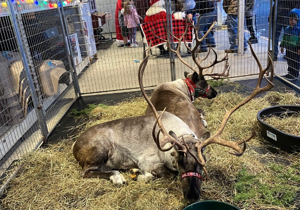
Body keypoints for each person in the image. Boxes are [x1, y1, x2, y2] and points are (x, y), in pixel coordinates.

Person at [279, 8, 300, 80]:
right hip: (289, 47)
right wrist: (282, 46)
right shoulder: (287, 29)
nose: (293, 21)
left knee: (296, 61)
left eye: (295, 20)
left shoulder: (298, 29)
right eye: (291, 19)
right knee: (289, 60)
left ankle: (295, 74)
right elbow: (284, 38)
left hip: (296, 48)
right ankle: (290, 72)